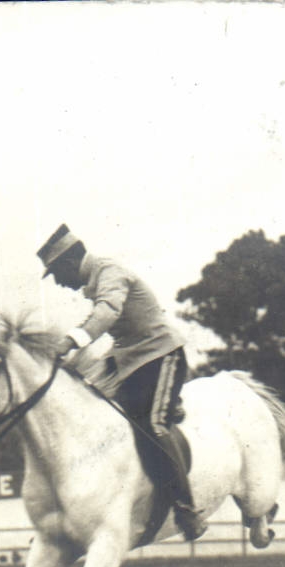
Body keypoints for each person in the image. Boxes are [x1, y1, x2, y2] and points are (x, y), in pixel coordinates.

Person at [36, 223, 207, 541]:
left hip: (162, 355)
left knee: (154, 427)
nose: (59, 283)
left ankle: (187, 508)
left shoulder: (109, 273)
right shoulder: (95, 278)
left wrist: (70, 342)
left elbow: (107, 312)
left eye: (57, 274)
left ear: (70, 263)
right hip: (129, 361)